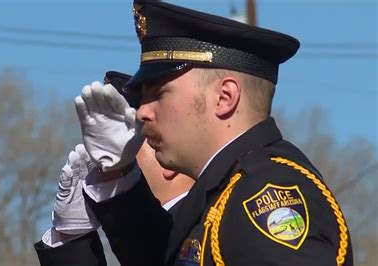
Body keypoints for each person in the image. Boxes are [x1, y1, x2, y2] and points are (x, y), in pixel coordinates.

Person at [75, 1, 353, 265]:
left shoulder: (263, 193)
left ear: (224, 97)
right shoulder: (225, 193)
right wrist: (118, 175)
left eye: (158, 93)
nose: (141, 112)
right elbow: (159, 256)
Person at [34, 71, 195, 266]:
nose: (99, 158)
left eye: (128, 138)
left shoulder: (203, 228)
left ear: (165, 153)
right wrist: (69, 235)